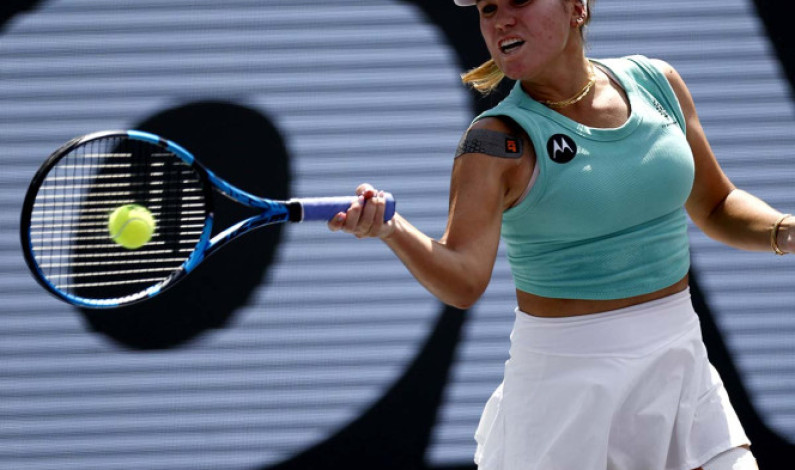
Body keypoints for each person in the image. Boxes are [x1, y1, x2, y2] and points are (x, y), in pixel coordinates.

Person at [328, 0, 792, 468]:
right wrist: (391, 228)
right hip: (566, 390)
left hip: (680, 359)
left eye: (519, 1)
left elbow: (715, 204)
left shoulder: (658, 83)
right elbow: (463, 278)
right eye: (488, 8)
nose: (501, 19)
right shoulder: (493, 141)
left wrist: (783, 229)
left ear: (577, 6)